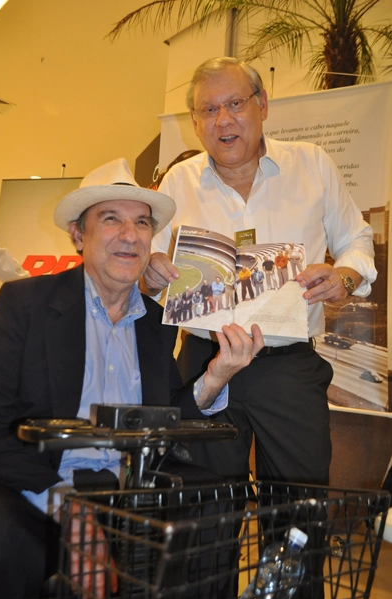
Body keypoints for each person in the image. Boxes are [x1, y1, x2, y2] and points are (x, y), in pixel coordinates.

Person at [0, 157, 264, 599]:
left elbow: (161, 416)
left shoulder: (156, 322)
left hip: (132, 482)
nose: (129, 234)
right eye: (111, 219)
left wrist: (217, 374)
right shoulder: (27, 304)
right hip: (41, 481)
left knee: (212, 498)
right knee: (2, 535)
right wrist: (67, 506)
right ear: (78, 235)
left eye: (141, 223)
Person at [140, 56, 376, 496]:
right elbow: (147, 273)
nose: (223, 120)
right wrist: (151, 277)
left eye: (235, 103)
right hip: (202, 364)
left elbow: (358, 239)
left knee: (298, 507)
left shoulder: (312, 165)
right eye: (208, 110)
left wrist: (344, 276)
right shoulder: (177, 182)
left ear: (262, 104)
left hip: (287, 367)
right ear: (194, 121)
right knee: (202, 507)